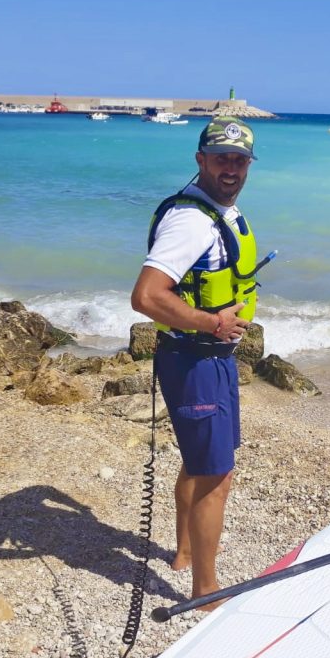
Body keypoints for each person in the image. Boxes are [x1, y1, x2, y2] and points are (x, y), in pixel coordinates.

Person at [131, 116, 261, 609]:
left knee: (200, 462)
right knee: (215, 475)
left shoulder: (220, 210)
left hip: (210, 359)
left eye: (240, 160)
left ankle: (185, 552)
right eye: (221, 158)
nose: (231, 168)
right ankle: (206, 593)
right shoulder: (192, 220)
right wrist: (211, 324)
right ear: (200, 159)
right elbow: (145, 296)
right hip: (195, 358)